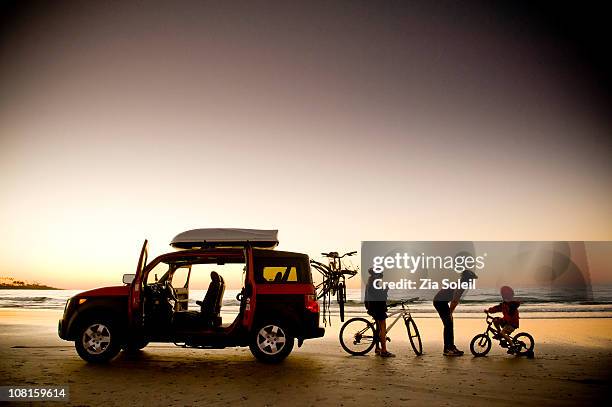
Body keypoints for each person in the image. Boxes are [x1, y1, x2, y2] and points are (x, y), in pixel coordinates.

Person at [433, 269, 478, 356]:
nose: (472, 281)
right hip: (439, 302)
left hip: (442, 301)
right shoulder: (461, 285)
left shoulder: (461, 283)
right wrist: (450, 313)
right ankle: (447, 349)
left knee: (450, 324)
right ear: (467, 279)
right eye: (471, 279)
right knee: (448, 324)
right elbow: (454, 301)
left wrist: (450, 313)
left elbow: (454, 300)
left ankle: (451, 347)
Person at [364, 268, 395, 357]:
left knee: (378, 328)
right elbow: (380, 296)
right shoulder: (374, 284)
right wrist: (386, 289)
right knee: (382, 328)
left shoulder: (370, 282)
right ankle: (384, 350)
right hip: (377, 308)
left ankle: (377, 348)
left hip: (372, 307)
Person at [485, 286, 520, 353]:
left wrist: (504, 320)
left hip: (512, 323)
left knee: (503, 333)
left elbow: (510, 316)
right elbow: (497, 308)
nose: (503, 296)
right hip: (506, 322)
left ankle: (513, 346)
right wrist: (488, 311)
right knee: (495, 320)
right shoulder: (504, 304)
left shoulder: (512, 305)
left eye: (504, 295)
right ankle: (500, 333)